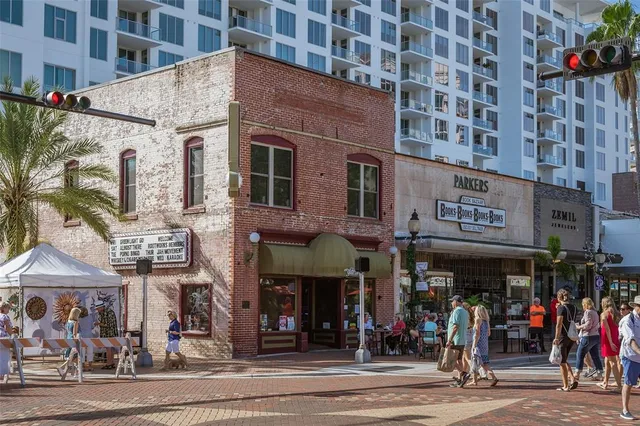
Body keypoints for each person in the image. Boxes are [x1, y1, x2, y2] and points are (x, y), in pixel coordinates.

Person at [573, 297, 604, 387]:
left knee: (580, 354)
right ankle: (599, 373)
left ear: (586, 304)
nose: (582, 306)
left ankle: (577, 373)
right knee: (595, 356)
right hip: (595, 335)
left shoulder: (588, 312)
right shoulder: (595, 312)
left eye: (583, 304)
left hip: (588, 336)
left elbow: (588, 325)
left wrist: (578, 327)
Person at [619, 295, 640, 420]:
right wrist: (639, 351)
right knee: (629, 383)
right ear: (637, 307)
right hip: (630, 356)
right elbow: (630, 340)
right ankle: (625, 410)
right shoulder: (628, 320)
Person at [553, 289, 577, 392]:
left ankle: (565, 386)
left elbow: (559, 324)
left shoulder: (561, 308)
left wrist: (556, 338)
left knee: (561, 362)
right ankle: (572, 378)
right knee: (565, 358)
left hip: (563, 336)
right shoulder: (574, 308)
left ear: (559, 298)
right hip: (571, 336)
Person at [471, 305, 498, 387]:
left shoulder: (478, 320)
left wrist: (474, 344)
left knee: (478, 361)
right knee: (484, 363)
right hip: (485, 343)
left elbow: (477, 333)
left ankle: (493, 377)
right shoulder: (486, 321)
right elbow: (489, 333)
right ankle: (476, 379)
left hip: (478, 343)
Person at [446, 295, 470, 388]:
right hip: (462, 339)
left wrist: (449, 339)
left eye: (452, 301)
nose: (451, 303)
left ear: (456, 302)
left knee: (450, 359)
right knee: (459, 359)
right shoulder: (465, 311)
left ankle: (463, 373)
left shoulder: (456, 311)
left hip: (455, 339)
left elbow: (455, 327)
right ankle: (460, 380)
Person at [598, 296, 622, 391]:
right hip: (615, 338)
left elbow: (606, 329)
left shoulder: (604, 314)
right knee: (607, 361)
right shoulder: (616, 314)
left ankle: (619, 386)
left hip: (608, 340)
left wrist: (611, 342)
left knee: (612, 363)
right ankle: (605, 382)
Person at [56, 307, 81, 380]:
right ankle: (63, 368)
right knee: (74, 358)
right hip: (74, 341)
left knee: (71, 358)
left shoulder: (69, 321)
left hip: (68, 339)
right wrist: (76, 340)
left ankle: (65, 374)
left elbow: (68, 332)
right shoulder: (75, 322)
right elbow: (74, 333)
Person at [94, 300, 118, 369]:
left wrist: (98, 323)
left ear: (101, 307)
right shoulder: (109, 311)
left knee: (108, 349)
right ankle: (112, 362)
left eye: (97, 309)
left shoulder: (106, 313)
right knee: (110, 348)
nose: (97, 310)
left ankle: (109, 363)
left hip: (108, 333)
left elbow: (107, 324)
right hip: (111, 333)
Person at [0, 301, 13, 384]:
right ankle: (4, 374)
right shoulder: (5, 317)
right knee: (5, 357)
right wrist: (12, 334)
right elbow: (8, 328)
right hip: (3, 337)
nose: (9, 309)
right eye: (8, 308)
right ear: (3, 308)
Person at [462, 303, 475, 375]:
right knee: (465, 357)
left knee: (467, 357)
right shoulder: (470, 314)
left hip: (466, 333)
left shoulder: (464, 314)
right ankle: (464, 372)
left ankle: (477, 370)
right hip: (471, 333)